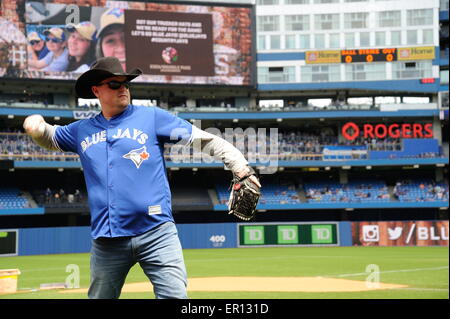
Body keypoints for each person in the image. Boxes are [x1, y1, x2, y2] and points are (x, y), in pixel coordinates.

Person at [23, 56, 261, 299]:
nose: (123, 89)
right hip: (108, 241)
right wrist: (36, 126)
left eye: (126, 83)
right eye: (114, 84)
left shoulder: (152, 117)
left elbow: (202, 139)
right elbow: (50, 137)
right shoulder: (81, 130)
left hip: (157, 233)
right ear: (96, 90)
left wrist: (239, 166)